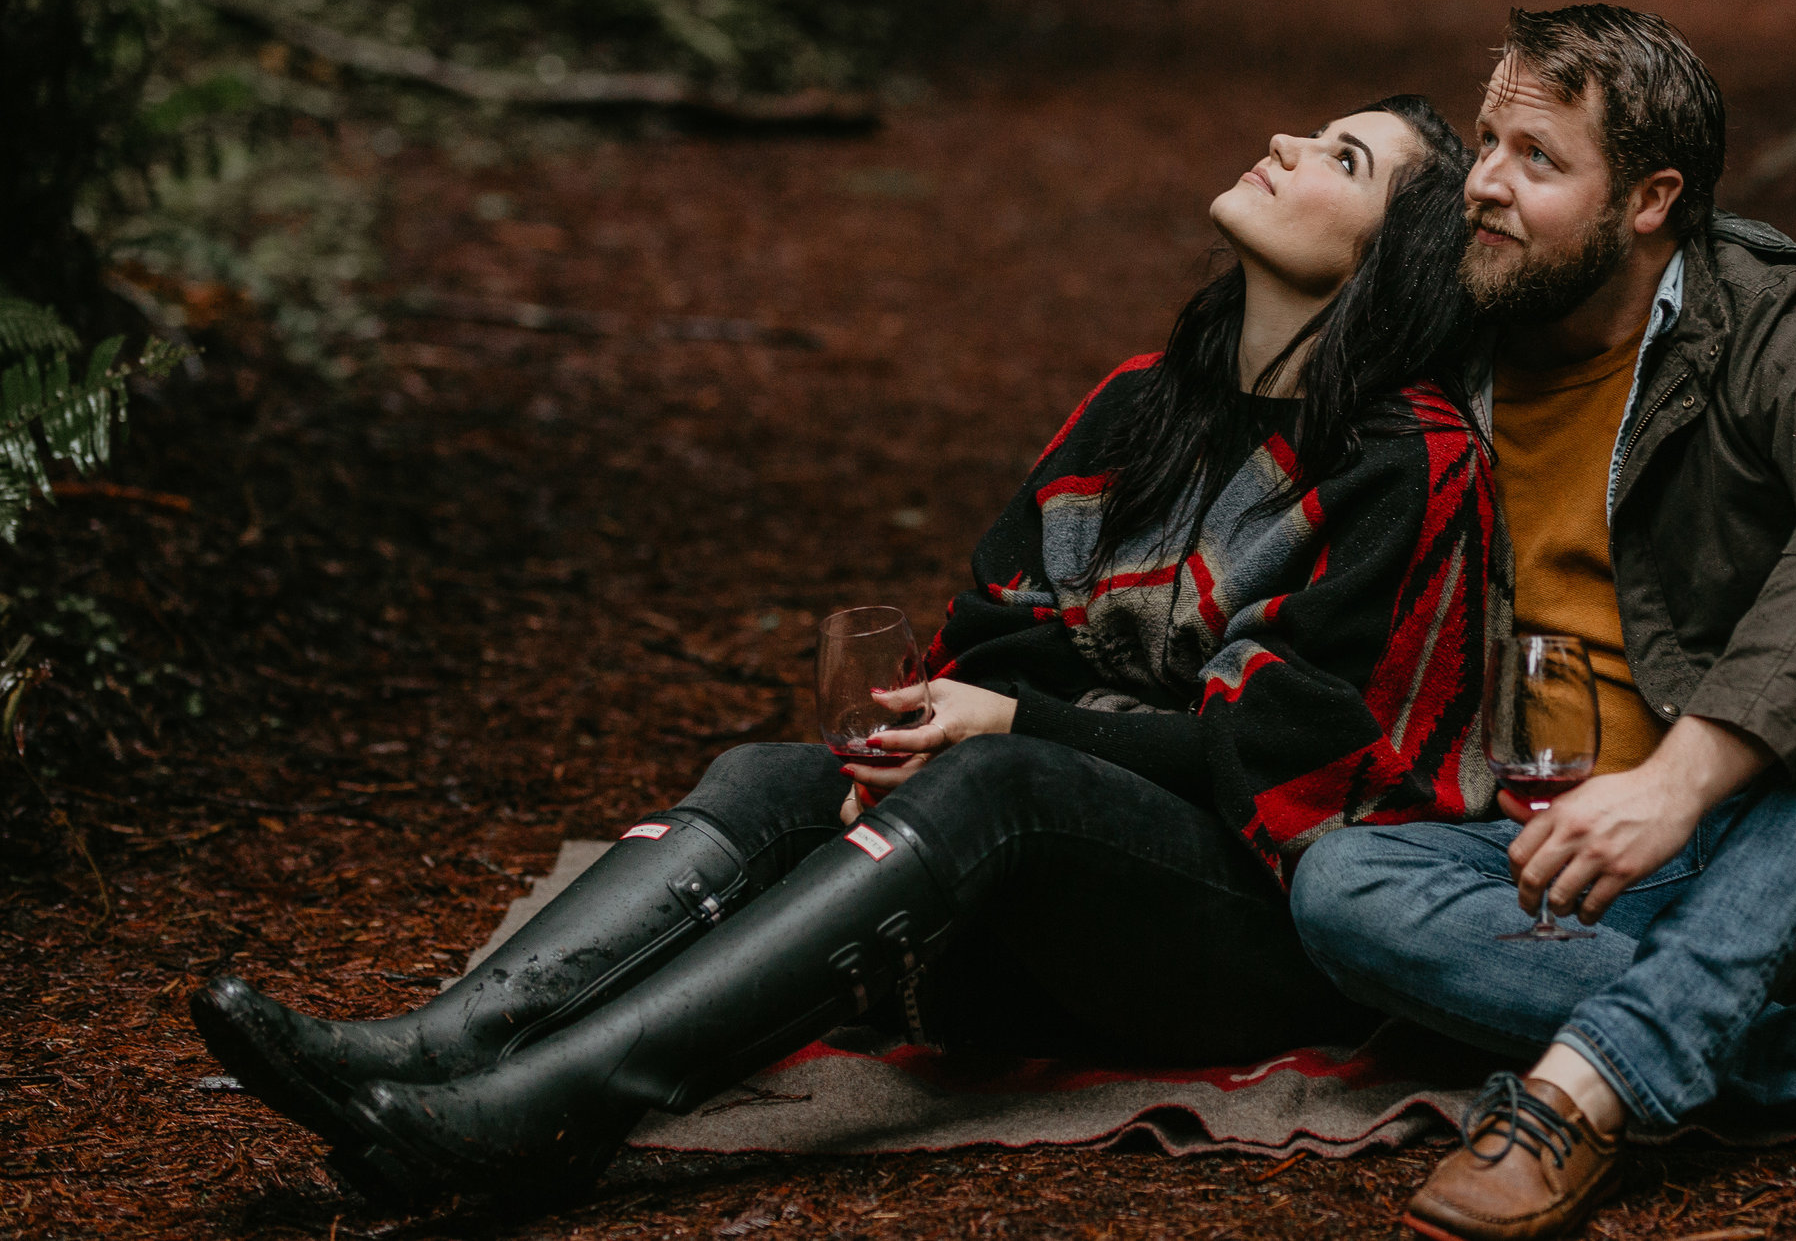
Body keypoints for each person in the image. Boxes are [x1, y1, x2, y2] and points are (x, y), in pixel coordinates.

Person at [190, 95, 1501, 1206]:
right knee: (777, 775)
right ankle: (432, 1046)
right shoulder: (1140, 402)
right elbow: (992, 628)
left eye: (1346, 158)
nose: (1285, 139)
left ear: (1397, 257)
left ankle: (539, 1115)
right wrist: (990, 719)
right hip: (1045, 897)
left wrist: (1019, 726)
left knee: (997, 776)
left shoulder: (1409, 460)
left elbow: (1286, 754)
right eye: (1316, 129)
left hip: (1243, 936)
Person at [1288, 9, 1796, 1241]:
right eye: (1486, 138)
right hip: (1586, 872)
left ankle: (1588, 1083)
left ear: (1650, 198)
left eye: (1536, 159)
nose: (1482, 181)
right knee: (1339, 880)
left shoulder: (1777, 317)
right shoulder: (1452, 306)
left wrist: (1683, 777)